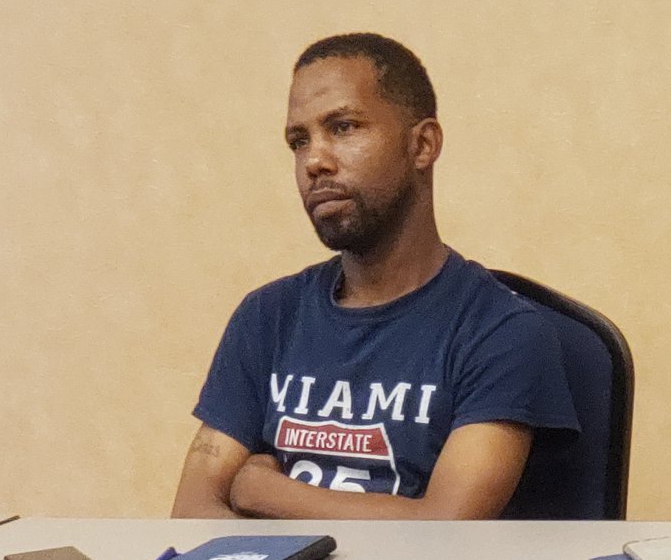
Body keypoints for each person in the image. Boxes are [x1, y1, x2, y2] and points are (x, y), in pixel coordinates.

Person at [173, 31, 577, 519]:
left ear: (422, 145)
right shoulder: (268, 317)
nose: (314, 161)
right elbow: (192, 512)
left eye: (343, 127)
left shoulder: (502, 330)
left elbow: (445, 528)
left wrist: (265, 492)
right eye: (299, 141)